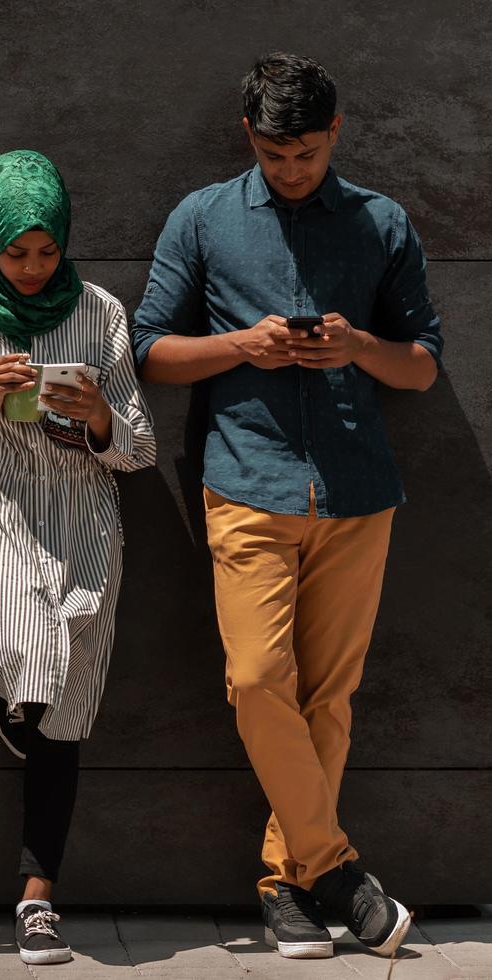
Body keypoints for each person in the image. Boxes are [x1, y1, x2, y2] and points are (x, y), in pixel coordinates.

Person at [133, 52, 442, 960]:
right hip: (246, 484)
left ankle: (288, 885)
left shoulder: (381, 223)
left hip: (356, 491)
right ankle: (340, 870)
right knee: (260, 682)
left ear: (334, 133)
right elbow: (148, 351)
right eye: (275, 155)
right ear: (249, 137)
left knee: (330, 701)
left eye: (305, 153)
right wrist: (241, 345)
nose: (292, 169)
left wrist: (357, 347)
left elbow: (422, 364)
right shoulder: (204, 217)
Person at [0, 149, 155, 966]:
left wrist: (98, 417)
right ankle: (20, 692)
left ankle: (37, 898)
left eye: (47, 252)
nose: (35, 269)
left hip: (83, 510)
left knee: (71, 692)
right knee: (30, 648)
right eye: (17, 253)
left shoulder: (103, 312)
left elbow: (142, 450)